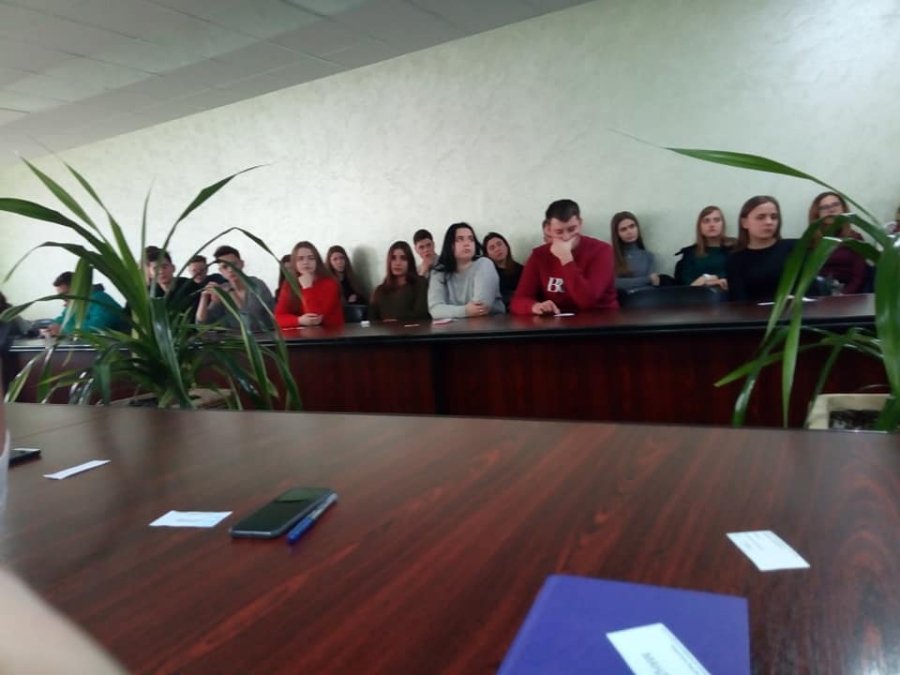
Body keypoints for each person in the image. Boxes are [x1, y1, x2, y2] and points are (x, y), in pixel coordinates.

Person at [511, 199, 618, 315]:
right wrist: (534, 306)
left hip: (601, 318)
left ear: (580, 223)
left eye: (572, 229)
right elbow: (518, 300)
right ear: (548, 229)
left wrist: (566, 259)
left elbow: (587, 301)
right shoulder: (539, 255)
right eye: (559, 232)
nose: (566, 237)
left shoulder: (602, 251)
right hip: (559, 320)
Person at [726, 196, 796, 302]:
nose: (769, 222)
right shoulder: (735, 259)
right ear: (744, 223)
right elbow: (738, 301)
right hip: (754, 312)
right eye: (761, 217)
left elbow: (811, 290)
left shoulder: (795, 248)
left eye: (774, 217)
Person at [428, 222, 504, 319]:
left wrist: (449, 311)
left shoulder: (484, 264)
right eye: (460, 239)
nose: (467, 243)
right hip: (455, 326)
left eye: (471, 239)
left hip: (490, 323)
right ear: (450, 245)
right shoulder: (439, 271)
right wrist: (466, 310)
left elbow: (481, 308)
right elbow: (435, 310)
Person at [196, 245, 274, 331]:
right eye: (225, 267)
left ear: (242, 264)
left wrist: (231, 292)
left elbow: (250, 325)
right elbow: (202, 326)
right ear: (221, 271)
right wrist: (204, 297)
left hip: (263, 337)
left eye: (233, 264)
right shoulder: (223, 288)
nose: (230, 270)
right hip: (232, 338)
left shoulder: (256, 285)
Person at [274, 241, 344, 329]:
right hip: (301, 335)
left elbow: (315, 319)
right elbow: (278, 318)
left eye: (311, 258)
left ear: (317, 261)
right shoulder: (289, 284)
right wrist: (299, 320)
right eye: (300, 259)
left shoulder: (330, 283)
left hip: (330, 334)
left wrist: (307, 288)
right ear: (294, 263)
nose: (306, 262)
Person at [808, 192, 867, 295]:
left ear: (843, 209)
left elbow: (859, 277)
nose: (831, 210)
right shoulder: (810, 241)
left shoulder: (855, 238)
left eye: (835, 205)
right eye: (824, 207)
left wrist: (842, 296)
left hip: (849, 295)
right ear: (817, 214)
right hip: (819, 295)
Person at [42, 272, 126, 337]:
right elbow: (64, 318)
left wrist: (63, 330)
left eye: (66, 294)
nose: (63, 299)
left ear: (79, 287)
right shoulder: (77, 301)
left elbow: (96, 328)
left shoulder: (100, 299)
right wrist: (53, 326)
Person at [674, 206, 735, 289]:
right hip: (697, 295)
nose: (712, 225)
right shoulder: (689, 253)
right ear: (700, 227)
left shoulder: (735, 248)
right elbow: (686, 284)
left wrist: (709, 278)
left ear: (723, 224)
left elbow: (738, 273)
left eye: (716, 220)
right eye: (706, 221)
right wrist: (706, 281)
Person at [369, 242, 430, 321]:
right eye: (393, 258)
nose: (398, 263)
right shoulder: (379, 291)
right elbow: (372, 321)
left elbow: (422, 315)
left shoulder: (420, 284)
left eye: (403, 258)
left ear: (410, 262)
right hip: (384, 329)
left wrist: (397, 320)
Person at [144, 247, 202, 316]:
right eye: (155, 269)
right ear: (150, 273)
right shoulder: (148, 293)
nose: (161, 271)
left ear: (173, 268)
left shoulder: (190, 286)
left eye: (164, 267)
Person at [611, 211, 660, 291]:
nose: (629, 232)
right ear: (617, 234)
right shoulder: (610, 256)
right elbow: (614, 283)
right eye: (623, 229)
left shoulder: (648, 256)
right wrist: (647, 279)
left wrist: (649, 280)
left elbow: (654, 283)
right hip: (623, 297)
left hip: (647, 296)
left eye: (632, 226)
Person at [483, 232, 524, 308]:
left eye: (499, 244)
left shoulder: (522, 270)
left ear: (506, 246)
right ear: (487, 254)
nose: (497, 249)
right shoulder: (486, 274)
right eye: (492, 248)